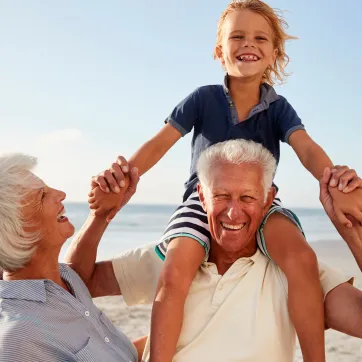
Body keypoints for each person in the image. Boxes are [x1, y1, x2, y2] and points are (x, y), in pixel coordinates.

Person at [89, 1, 362, 361]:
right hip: (203, 201)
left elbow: (306, 148)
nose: (249, 43)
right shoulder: (204, 99)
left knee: (301, 258)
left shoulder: (279, 108)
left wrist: (334, 179)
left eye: (260, 37)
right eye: (238, 36)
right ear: (220, 52)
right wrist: (124, 176)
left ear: (274, 53)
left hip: (259, 200)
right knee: (174, 273)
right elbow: (160, 143)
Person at [67, 139, 362, 362]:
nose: (233, 213)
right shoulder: (169, 257)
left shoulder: (295, 272)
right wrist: (99, 217)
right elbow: (72, 283)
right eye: (221, 196)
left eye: (247, 197)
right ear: (201, 197)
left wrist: (352, 232)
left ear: (268, 198)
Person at [0, 153, 143, 362]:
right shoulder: (18, 340)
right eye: (42, 196)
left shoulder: (67, 278)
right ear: (19, 232)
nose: (62, 194)